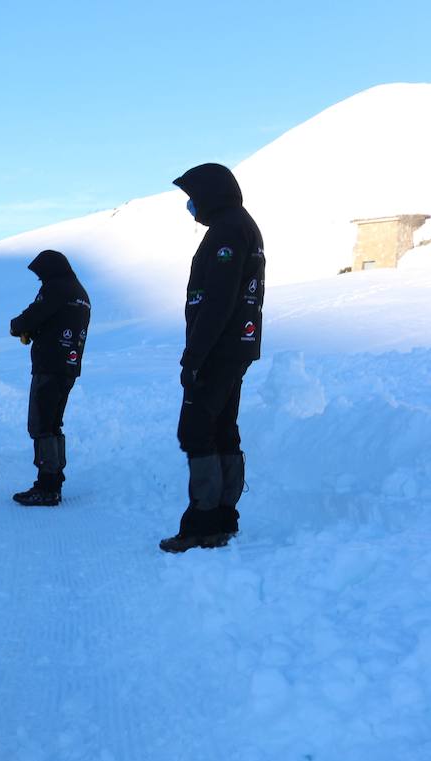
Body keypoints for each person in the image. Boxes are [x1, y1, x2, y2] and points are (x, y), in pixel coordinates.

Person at [160, 163, 265, 552]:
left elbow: (219, 301)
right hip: (235, 346)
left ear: (210, 193)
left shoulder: (228, 231)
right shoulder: (240, 226)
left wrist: (194, 357)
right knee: (222, 428)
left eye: (193, 196)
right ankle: (223, 518)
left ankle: (203, 524)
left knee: (196, 429)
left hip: (219, 349)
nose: (190, 205)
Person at [8, 250, 91, 506]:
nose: (40, 280)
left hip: (48, 365)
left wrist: (18, 326)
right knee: (54, 423)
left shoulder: (56, 287)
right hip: (69, 366)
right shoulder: (80, 292)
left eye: (40, 275)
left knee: (41, 424)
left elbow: (33, 315)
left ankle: (46, 485)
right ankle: (54, 480)